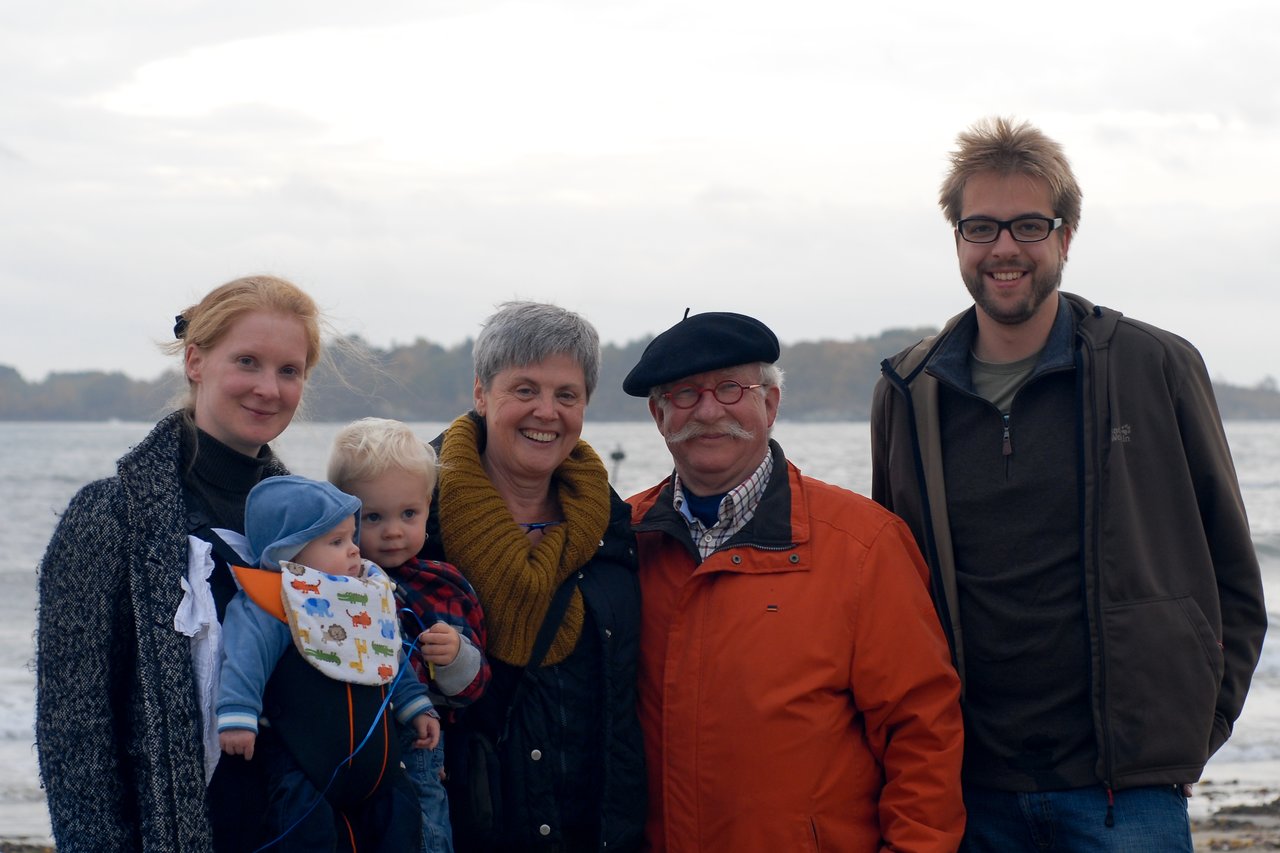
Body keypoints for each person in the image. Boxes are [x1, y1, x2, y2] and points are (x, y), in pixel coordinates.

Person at [870, 116, 1268, 851]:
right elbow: (889, 584)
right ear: (957, 238)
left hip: (1126, 791)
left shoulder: (1153, 366)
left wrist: (1192, 732)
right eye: (980, 227)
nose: (1004, 249)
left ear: (1065, 234)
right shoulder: (910, 390)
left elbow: (1234, 577)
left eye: (1027, 225)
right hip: (969, 790)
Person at [623, 311, 966, 852]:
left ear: (771, 404)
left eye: (731, 388)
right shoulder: (620, 542)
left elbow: (922, 732)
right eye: (685, 394)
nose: (709, 411)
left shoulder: (862, 546)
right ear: (658, 415)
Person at [36, 274, 325, 851]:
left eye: (289, 371)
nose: (269, 388)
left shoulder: (311, 529)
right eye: (248, 361)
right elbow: (75, 735)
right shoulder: (110, 515)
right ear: (196, 361)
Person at [422, 301, 645, 852]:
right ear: (481, 394)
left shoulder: (615, 533)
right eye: (524, 390)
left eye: (566, 395)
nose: (546, 411)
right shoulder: (408, 523)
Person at [217, 475, 438, 851]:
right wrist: (238, 714)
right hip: (303, 762)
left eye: (352, 538)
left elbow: (389, 653)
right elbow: (243, 658)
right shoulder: (274, 602)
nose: (354, 550)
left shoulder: (365, 594)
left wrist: (416, 705)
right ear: (289, 553)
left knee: (402, 825)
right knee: (305, 834)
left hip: (378, 764)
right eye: (336, 542)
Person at [328, 417, 491, 853]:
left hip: (421, 750)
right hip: (347, 745)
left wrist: (456, 657)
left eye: (408, 514)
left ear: (428, 505)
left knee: (426, 835)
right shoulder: (333, 585)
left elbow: (473, 691)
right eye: (374, 517)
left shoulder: (445, 585)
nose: (393, 531)